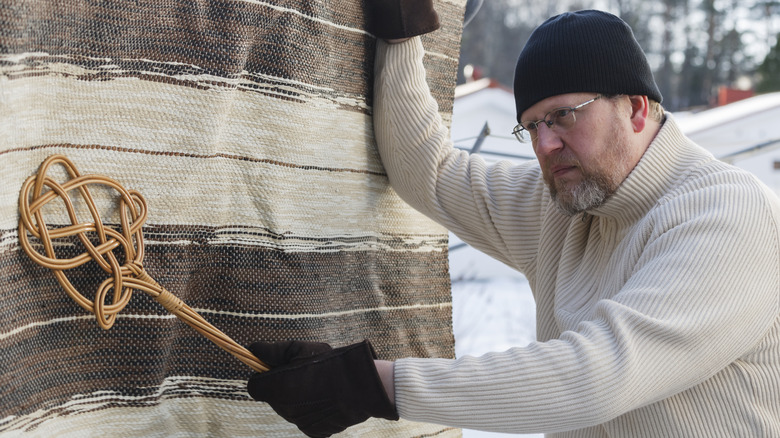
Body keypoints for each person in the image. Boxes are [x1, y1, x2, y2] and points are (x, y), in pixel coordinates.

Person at [246, 5, 780, 438]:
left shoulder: (728, 215)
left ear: (637, 108)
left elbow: (594, 377)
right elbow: (428, 173)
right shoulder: (568, 205)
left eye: (565, 116)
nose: (546, 145)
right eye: (531, 126)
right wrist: (401, 30)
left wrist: (371, 385)